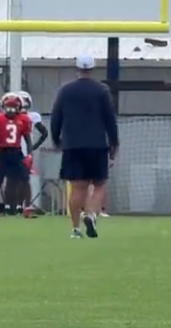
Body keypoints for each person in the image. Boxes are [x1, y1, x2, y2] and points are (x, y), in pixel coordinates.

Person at [51, 54, 118, 238]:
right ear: (93, 68)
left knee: (77, 187)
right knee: (98, 184)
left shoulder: (65, 91)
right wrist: (114, 143)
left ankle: (75, 228)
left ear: (77, 68)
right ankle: (90, 214)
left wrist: (57, 139)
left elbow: (56, 116)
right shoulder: (102, 91)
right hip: (97, 144)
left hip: (72, 145)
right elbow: (110, 119)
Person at [0, 93, 33, 219]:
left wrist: (29, 155)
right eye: (8, 108)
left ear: (19, 108)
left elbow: (28, 139)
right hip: (2, 151)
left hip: (16, 151)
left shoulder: (23, 119)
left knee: (25, 179)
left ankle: (27, 208)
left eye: (14, 108)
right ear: (3, 107)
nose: (11, 111)